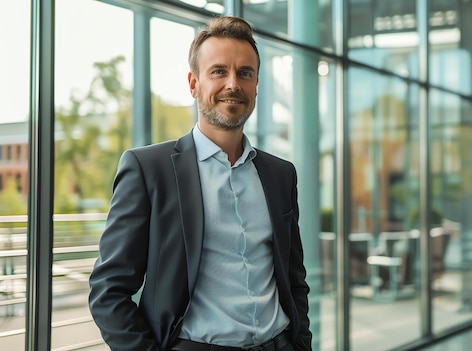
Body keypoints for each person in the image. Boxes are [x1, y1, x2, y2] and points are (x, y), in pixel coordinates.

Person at [88, 16, 312, 351]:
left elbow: (294, 280)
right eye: (219, 71)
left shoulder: (281, 174)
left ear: (256, 86)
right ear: (193, 84)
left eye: (245, 73)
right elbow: (108, 290)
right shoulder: (148, 169)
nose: (233, 84)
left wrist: (301, 343)